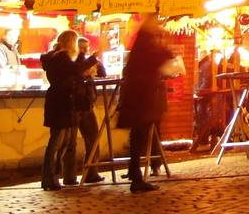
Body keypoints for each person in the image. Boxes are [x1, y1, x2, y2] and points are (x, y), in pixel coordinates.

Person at [117, 16, 174, 194]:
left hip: (136, 98)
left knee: (138, 137)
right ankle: (136, 177)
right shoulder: (147, 46)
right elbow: (163, 57)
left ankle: (135, 173)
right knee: (140, 136)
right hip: (142, 98)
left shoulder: (140, 46)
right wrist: (165, 44)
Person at [40, 30, 97, 191]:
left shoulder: (56, 57)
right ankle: (49, 177)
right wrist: (90, 57)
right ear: (70, 42)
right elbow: (76, 69)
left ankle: (53, 176)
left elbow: (75, 70)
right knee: (57, 142)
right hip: (61, 103)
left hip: (63, 103)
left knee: (63, 142)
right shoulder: (60, 57)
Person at [73, 37, 105, 184]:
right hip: (79, 103)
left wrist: (96, 61)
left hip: (86, 103)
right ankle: (77, 174)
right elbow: (78, 70)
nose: (84, 51)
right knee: (73, 142)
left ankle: (91, 171)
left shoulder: (86, 61)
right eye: (82, 48)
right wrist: (92, 59)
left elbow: (102, 73)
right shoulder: (74, 61)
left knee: (92, 139)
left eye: (86, 47)